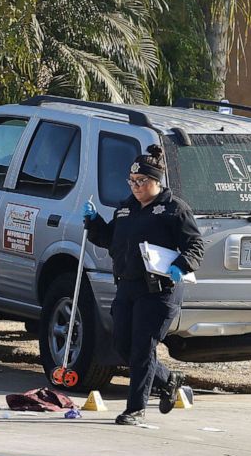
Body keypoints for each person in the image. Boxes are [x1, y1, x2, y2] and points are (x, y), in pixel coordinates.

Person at [83, 145, 204, 426]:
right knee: (122, 344)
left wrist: (182, 264)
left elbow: (195, 244)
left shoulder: (174, 209)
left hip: (159, 291)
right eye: (132, 182)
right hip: (128, 285)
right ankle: (168, 379)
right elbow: (111, 240)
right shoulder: (126, 208)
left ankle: (135, 409)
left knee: (142, 348)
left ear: (156, 181)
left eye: (142, 182)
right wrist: (94, 223)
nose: (136, 187)